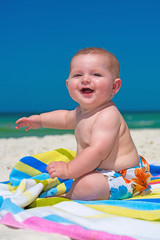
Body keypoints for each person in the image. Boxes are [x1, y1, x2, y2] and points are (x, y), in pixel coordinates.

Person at [16, 47, 151, 201]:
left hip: (125, 176)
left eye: (96, 74)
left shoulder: (108, 115)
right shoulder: (81, 111)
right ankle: (75, 191)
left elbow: (96, 152)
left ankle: (68, 196)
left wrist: (68, 169)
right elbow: (65, 118)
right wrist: (40, 120)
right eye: (78, 75)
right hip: (100, 171)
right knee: (83, 180)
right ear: (68, 84)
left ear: (115, 86)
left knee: (88, 185)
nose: (85, 79)